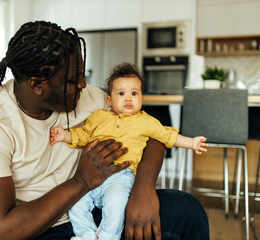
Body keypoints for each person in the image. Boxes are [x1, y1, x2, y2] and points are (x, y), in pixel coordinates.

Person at [0, 20, 210, 240]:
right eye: (72, 79)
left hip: (100, 205)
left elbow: (151, 134)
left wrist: (143, 189)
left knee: (187, 211)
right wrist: (82, 181)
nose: (83, 84)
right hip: (38, 230)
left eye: (81, 73)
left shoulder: (90, 98)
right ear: (37, 85)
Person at [49, 63, 208, 240]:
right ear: (109, 100)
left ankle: (108, 236)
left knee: (116, 205)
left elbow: (167, 135)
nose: (128, 98)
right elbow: (83, 135)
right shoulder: (99, 117)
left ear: (141, 97)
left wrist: (192, 142)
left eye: (134, 93)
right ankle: (86, 234)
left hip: (120, 176)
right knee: (76, 205)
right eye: (121, 93)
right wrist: (65, 135)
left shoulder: (145, 121)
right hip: (91, 176)